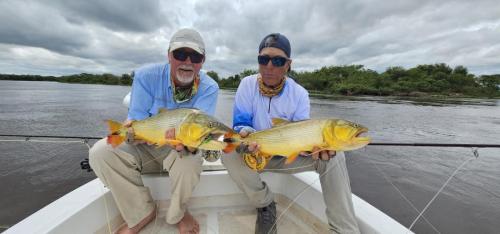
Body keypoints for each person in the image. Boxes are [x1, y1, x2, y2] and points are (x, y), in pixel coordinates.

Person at [221, 33, 360, 234]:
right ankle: (265, 204)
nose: (269, 66)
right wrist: (246, 136)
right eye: (263, 59)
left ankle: (344, 230)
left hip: (286, 158)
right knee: (229, 154)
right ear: (258, 62)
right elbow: (241, 122)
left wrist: (312, 149)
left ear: (288, 64)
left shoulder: (300, 94)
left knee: (334, 156)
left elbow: (301, 135)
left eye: (277, 60)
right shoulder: (246, 84)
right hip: (256, 153)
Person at [89, 28, 218, 234]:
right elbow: (136, 118)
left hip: (178, 148)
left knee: (191, 160)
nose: (187, 61)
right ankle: (141, 213)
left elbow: (200, 129)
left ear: (202, 61)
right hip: (146, 142)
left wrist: (188, 144)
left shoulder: (210, 87)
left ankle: (178, 213)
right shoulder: (145, 76)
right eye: (179, 54)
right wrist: (130, 129)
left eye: (195, 56)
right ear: (169, 55)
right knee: (100, 152)